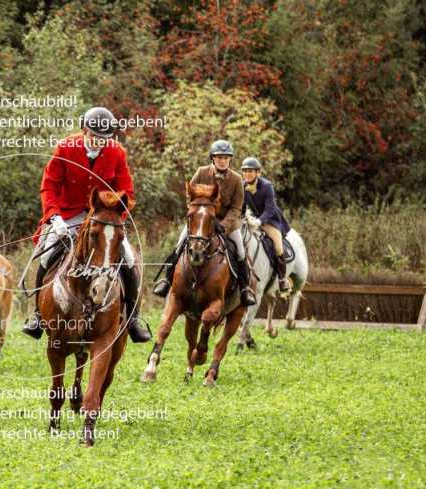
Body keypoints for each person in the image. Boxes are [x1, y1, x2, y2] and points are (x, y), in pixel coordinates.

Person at [21, 106, 151, 343]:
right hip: (68, 214)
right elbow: (49, 185)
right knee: (45, 253)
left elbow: (127, 193)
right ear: (84, 130)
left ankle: (133, 318)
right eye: (94, 137)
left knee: (129, 259)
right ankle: (38, 315)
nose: (99, 142)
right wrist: (54, 217)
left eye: (104, 139)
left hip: (103, 217)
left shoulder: (117, 152)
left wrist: (114, 216)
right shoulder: (64, 147)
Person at [152, 139, 257, 307]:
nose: (222, 160)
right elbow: (190, 195)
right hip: (201, 221)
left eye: (225, 157)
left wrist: (223, 225)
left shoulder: (237, 180)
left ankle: (244, 289)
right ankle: (166, 280)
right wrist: (198, 211)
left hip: (227, 225)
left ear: (230, 159)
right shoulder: (201, 172)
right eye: (219, 157)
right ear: (212, 158)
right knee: (179, 245)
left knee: (240, 252)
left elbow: (237, 208)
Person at [241, 156, 292, 293]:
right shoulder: (241, 185)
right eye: (245, 171)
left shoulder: (267, 186)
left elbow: (270, 209)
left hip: (269, 220)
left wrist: (259, 221)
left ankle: (282, 279)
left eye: (251, 171)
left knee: (278, 246)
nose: (248, 174)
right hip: (250, 219)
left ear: (258, 173)